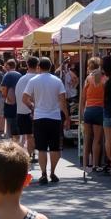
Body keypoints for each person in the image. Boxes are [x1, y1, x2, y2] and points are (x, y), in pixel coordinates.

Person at [22, 57, 70, 185]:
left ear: (38, 67)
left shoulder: (33, 80)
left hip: (39, 117)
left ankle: (43, 173)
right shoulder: (57, 81)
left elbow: (24, 98)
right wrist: (67, 116)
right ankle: (52, 172)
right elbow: (62, 101)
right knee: (55, 148)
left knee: (41, 148)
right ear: (50, 67)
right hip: (55, 117)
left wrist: (33, 107)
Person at [81, 57, 105, 172]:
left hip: (88, 110)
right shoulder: (104, 79)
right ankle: (95, 164)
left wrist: (81, 111)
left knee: (87, 138)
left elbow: (83, 97)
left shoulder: (87, 79)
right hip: (99, 109)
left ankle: (85, 163)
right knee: (97, 139)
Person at [16, 56, 40, 161]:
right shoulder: (36, 79)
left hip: (20, 111)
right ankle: (31, 155)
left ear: (27, 65)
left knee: (25, 135)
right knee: (31, 136)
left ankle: (25, 155)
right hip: (32, 112)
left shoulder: (21, 79)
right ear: (38, 66)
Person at [1, 59, 23, 143]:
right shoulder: (20, 75)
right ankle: (16, 142)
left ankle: (11, 143)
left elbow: (3, 89)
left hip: (10, 103)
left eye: (6, 65)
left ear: (8, 66)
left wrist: (5, 96)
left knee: (9, 124)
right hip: (19, 103)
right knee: (16, 125)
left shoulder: (7, 75)